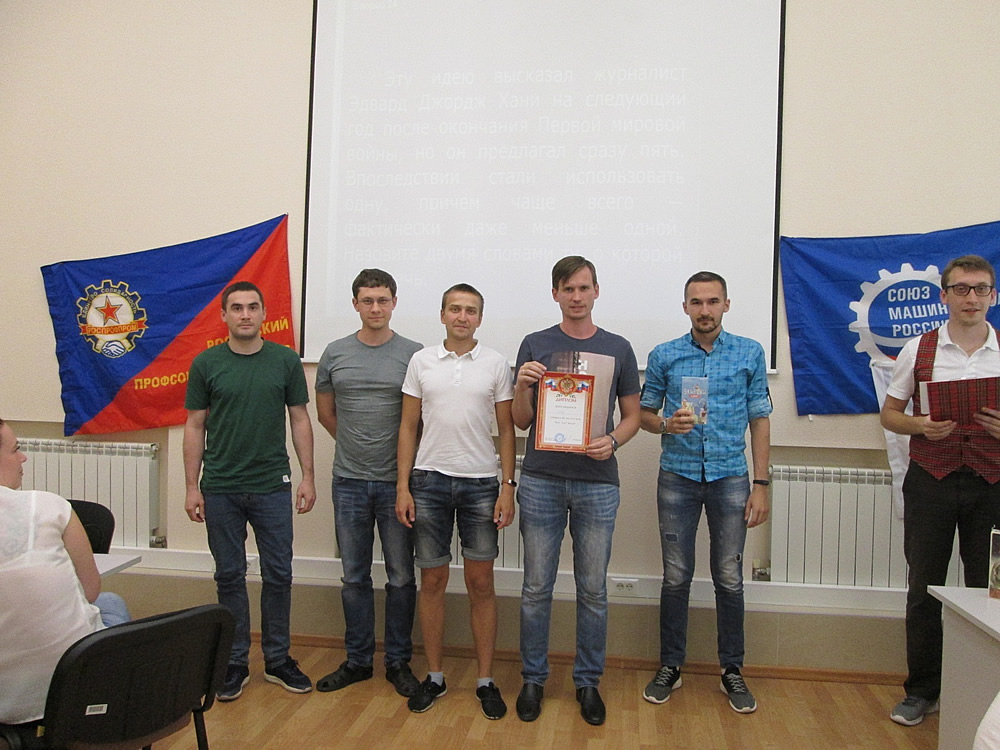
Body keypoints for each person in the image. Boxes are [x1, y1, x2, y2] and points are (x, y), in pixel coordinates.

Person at [511, 256, 641, 726]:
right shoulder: (535, 344)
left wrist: (614, 440)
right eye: (568, 289)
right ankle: (533, 679)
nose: (577, 296)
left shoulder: (618, 347)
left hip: (597, 484)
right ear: (555, 294)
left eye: (584, 288)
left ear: (596, 291)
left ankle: (588, 682)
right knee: (535, 588)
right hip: (541, 479)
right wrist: (522, 387)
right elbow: (521, 421)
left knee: (593, 590)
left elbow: (632, 417)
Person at [638, 271, 771, 714]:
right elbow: (643, 414)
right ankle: (671, 666)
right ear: (685, 307)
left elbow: (760, 420)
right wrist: (665, 424)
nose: (705, 310)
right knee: (676, 575)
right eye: (696, 302)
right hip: (677, 476)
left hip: (731, 477)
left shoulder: (750, 352)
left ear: (726, 305)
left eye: (713, 301)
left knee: (729, 577)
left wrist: (761, 484)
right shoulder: (665, 354)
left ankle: (731, 669)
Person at [881, 254, 1000, 726]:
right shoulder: (919, 349)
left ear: (993, 296)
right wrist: (921, 426)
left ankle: (985, 695)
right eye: (962, 289)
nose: (972, 298)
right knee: (924, 588)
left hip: (993, 484)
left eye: (980, 289)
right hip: (930, 480)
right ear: (944, 296)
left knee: (989, 590)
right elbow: (890, 415)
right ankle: (922, 691)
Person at [184, 280, 317, 702]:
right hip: (220, 486)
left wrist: (308, 476)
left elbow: (299, 419)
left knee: (279, 574)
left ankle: (277, 659)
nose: (245, 314)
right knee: (229, 575)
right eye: (237, 308)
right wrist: (191, 486)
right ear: (224, 315)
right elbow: (195, 425)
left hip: (271, 486)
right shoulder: (206, 363)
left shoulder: (285, 361)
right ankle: (234, 662)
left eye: (253, 307)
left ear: (263, 314)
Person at [395, 283, 516, 720]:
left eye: (470, 310)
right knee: (432, 582)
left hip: (481, 484)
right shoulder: (421, 361)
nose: (462, 316)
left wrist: (507, 486)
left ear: (480, 318)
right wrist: (403, 486)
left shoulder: (496, 363)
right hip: (428, 482)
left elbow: (507, 429)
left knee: (481, 584)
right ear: (442, 314)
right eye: (455, 309)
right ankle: (435, 676)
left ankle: (485, 680)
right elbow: (408, 427)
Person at [313, 269, 422, 697]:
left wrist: (402, 472)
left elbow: (420, 420)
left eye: (383, 300)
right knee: (354, 577)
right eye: (367, 300)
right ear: (355, 304)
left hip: (398, 483)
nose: (376, 308)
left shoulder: (414, 355)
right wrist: (355, 446)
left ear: (394, 302)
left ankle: (397, 662)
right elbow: (326, 413)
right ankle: (358, 660)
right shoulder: (335, 353)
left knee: (401, 577)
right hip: (349, 482)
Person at [0, 417, 130, 725]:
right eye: (15, 450)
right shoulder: (50, 506)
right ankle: (115, 709)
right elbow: (90, 591)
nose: (23, 458)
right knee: (109, 603)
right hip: (70, 692)